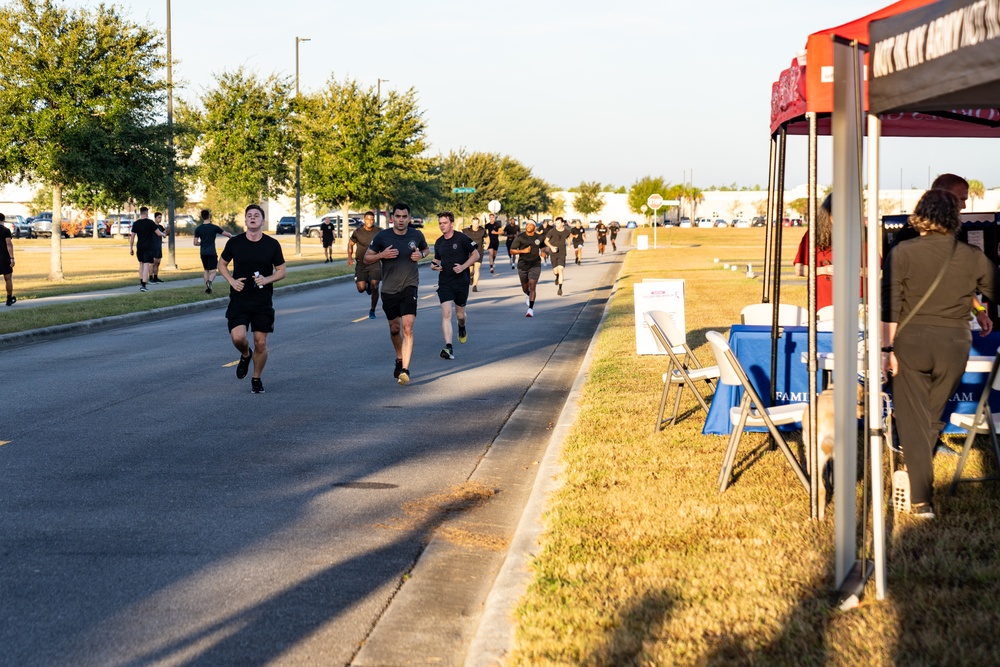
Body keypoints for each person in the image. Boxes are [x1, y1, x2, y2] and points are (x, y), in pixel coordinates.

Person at [882, 189, 998, 519]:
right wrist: (978, 308)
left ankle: (920, 499)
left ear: (921, 214)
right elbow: (993, 288)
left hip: (911, 343)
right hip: (954, 346)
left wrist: (885, 350)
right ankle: (916, 480)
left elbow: (888, 305)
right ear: (954, 218)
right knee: (930, 418)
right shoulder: (972, 255)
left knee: (914, 420)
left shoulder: (901, 251)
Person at [888, 173, 991, 334]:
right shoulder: (907, 240)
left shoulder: (956, 235)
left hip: (950, 331)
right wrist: (889, 345)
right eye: (961, 199)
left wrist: (979, 312)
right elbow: (892, 293)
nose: (964, 206)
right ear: (942, 197)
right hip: (918, 331)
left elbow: (961, 279)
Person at [218, 204, 287, 394]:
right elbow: (221, 264)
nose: (253, 218)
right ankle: (245, 355)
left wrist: (267, 279)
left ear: (262, 221)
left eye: (257, 215)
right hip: (240, 298)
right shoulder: (235, 242)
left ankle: (256, 378)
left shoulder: (272, 244)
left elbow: (281, 271)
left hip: (262, 300)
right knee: (238, 337)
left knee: (261, 343)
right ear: (246, 220)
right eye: (249, 215)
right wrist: (231, 281)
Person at [364, 202, 429, 386]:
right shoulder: (382, 236)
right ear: (393, 218)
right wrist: (381, 255)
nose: (401, 220)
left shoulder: (416, 234)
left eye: (404, 216)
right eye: (398, 217)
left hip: (410, 285)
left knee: (407, 328)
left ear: (409, 218)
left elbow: (425, 249)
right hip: (389, 289)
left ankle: (405, 370)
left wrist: (421, 256)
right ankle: (399, 358)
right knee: (394, 329)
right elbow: (367, 258)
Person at [432, 212, 480, 360]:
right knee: (447, 313)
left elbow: (476, 255)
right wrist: (434, 266)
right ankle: (448, 348)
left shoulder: (462, 238)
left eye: (445, 223)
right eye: (440, 223)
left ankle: (462, 327)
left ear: (451, 223)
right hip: (445, 282)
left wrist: (463, 267)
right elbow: (436, 260)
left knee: (460, 315)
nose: (442, 226)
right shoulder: (439, 242)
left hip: (461, 282)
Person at [793, 194, 835, 311]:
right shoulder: (812, 235)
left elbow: (875, 270)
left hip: (856, 309)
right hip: (822, 309)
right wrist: (823, 270)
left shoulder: (861, 236)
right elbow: (799, 269)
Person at [348, 211, 382, 318]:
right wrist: (349, 257)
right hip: (361, 263)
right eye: (368, 219)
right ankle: (367, 284)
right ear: (364, 219)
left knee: (375, 286)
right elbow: (350, 244)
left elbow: (386, 244)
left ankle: (372, 310)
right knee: (361, 288)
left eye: (372, 219)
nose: (370, 221)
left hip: (375, 262)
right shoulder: (358, 232)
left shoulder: (379, 232)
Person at [193, 209, 232, 294]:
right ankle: (210, 282)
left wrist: (202, 243)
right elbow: (227, 234)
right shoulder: (214, 227)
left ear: (202, 217)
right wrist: (231, 237)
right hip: (212, 252)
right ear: (209, 216)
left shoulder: (198, 229)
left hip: (203, 252)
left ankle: (207, 287)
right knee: (213, 270)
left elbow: (195, 243)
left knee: (206, 270)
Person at [510, 220, 544, 317]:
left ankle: (530, 309)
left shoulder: (538, 237)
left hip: (535, 264)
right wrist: (523, 251)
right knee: (525, 288)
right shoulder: (520, 237)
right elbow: (512, 251)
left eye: (531, 225)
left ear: (535, 227)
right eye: (527, 224)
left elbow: (543, 245)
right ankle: (528, 293)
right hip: (523, 265)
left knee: (532, 285)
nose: (528, 226)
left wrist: (543, 251)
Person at [129, 207, 165, 292]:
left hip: (140, 246)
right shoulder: (150, 223)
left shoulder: (136, 223)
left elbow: (132, 236)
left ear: (140, 213)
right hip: (148, 246)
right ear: (146, 213)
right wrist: (164, 234)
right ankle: (143, 285)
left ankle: (141, 281)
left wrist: (131, 248)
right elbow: (158, 233)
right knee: (146, 264)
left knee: (141, 264)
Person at [545, 217, 572, 296]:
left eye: (559, 223)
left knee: (561, 269)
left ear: (562, 223)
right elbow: (546, 241)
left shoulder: (566, 231)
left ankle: (560, 288)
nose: (557, 225)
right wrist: (551, 247)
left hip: (562, 252)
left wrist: (569, 245)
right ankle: (556, 276)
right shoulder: (552, 231)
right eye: (556, 223)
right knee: (555, 271)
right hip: (553, 252)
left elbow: (568, 238)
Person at [463, 216, 488, 292]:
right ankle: (471, 276)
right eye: (474, 223)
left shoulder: (482, 231)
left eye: (477, 223)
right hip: (469, 252)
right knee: (470, 270)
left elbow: (487, 238)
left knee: (477, 268)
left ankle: (475, 285)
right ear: (472, 223)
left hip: (479, 251)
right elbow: (460, 236)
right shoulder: (466, 231)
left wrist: (487, 245)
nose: (475, 225)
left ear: (479, 223)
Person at [0, 212, 15, 306]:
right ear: (3, 220)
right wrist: (12, 257)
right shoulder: (6, 230)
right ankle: (9, 299)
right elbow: (8, 244)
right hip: (4, 257)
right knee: (8, 278)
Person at [148, 212, 166, 283]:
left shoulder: (161, 227)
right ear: (155, 218)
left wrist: (168, 229)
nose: (160, 219)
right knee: (152, 263)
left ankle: (156, 277)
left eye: (161, 217)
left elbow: (165, 234)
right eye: (159, 217)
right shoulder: (152, 226)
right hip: (153, 246)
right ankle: (150, 277)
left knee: (158, 263)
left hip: (159, 247)